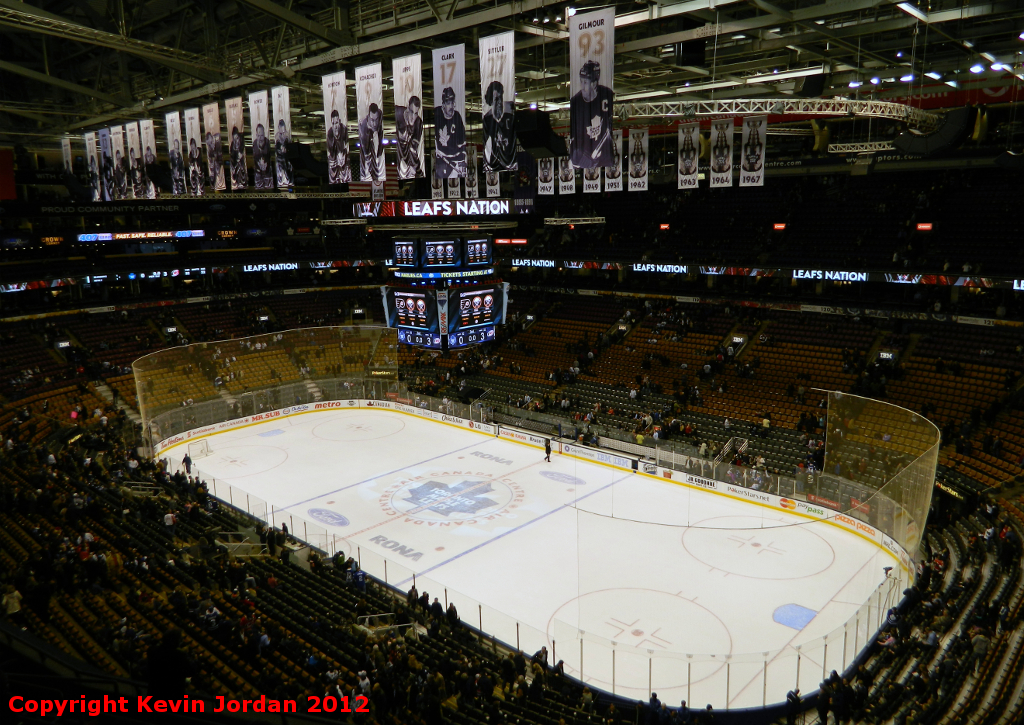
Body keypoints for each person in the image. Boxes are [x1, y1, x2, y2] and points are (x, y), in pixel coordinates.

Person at [569, 60, 614, 167]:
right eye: (581, 81)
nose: (582, 86)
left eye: (585, 82)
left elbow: (609, 126)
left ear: (594, 84)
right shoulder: (575, 102)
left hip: (604, 155)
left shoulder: (606, 94)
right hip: (586, 156)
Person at [482, 80, 516, 171]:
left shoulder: (510, 113)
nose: (499, 101)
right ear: (491, 101)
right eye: (496, 99)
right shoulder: (487, 120)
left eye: (500, 97)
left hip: (510, 160)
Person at [434, 86, 466, 178]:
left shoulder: (457, 117)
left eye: (452, 103)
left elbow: (462, 142)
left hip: (456, 160)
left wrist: (462, 160)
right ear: (443, 104)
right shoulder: (437, 114)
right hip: (442, 160)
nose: (451, 106)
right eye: (448, 103)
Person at [395, 96, 423, 179]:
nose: (413, 117)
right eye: (411, 112)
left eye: (416, 113)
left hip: (406, 151)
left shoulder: (418, 123)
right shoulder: (398, 113)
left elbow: (413, 148)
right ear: (407, 108)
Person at [359, 103, 385, 182]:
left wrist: (379, 154)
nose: (374, 123)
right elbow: (367, 156)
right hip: (367, 144)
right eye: (372, 120)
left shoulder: (380, 115)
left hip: (376, 138)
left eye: (376, 120)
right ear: (368, 118)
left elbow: (381, 135)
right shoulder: (364, 131)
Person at [252, 122, 273, 189]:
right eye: (258, 136)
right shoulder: (255, 143)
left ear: (264, 134)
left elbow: (268, 154)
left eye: (262, 136)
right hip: (258, 171)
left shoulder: (267, 142)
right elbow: (255, 157)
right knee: (259, 190)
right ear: (256, 134)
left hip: (267, 171)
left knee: (269, 190)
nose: (260, 138)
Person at [275, 117, 292, 186]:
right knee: (281, 170)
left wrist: (285, 147)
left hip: (286, 157)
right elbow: (277, 144)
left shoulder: (287, 135)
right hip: (279, 157)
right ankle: (282, 180)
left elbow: (289, 143)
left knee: (286, 169)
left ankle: (287, 180)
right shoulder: (277, 136)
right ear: (279, 127)